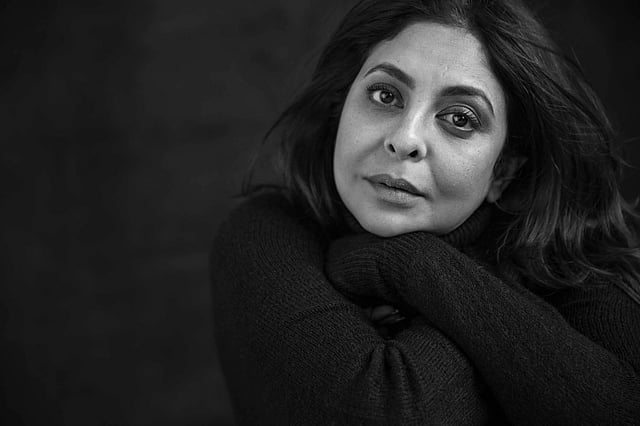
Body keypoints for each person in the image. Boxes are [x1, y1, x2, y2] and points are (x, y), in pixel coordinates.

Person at [210, 0, 640, 424]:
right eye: (385, 95)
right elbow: (383, 414)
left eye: (460, 118)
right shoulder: (264, 234)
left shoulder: (577, 270)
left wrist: (406, 262)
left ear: (504, 171)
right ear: (341, 108)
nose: (405, 139)